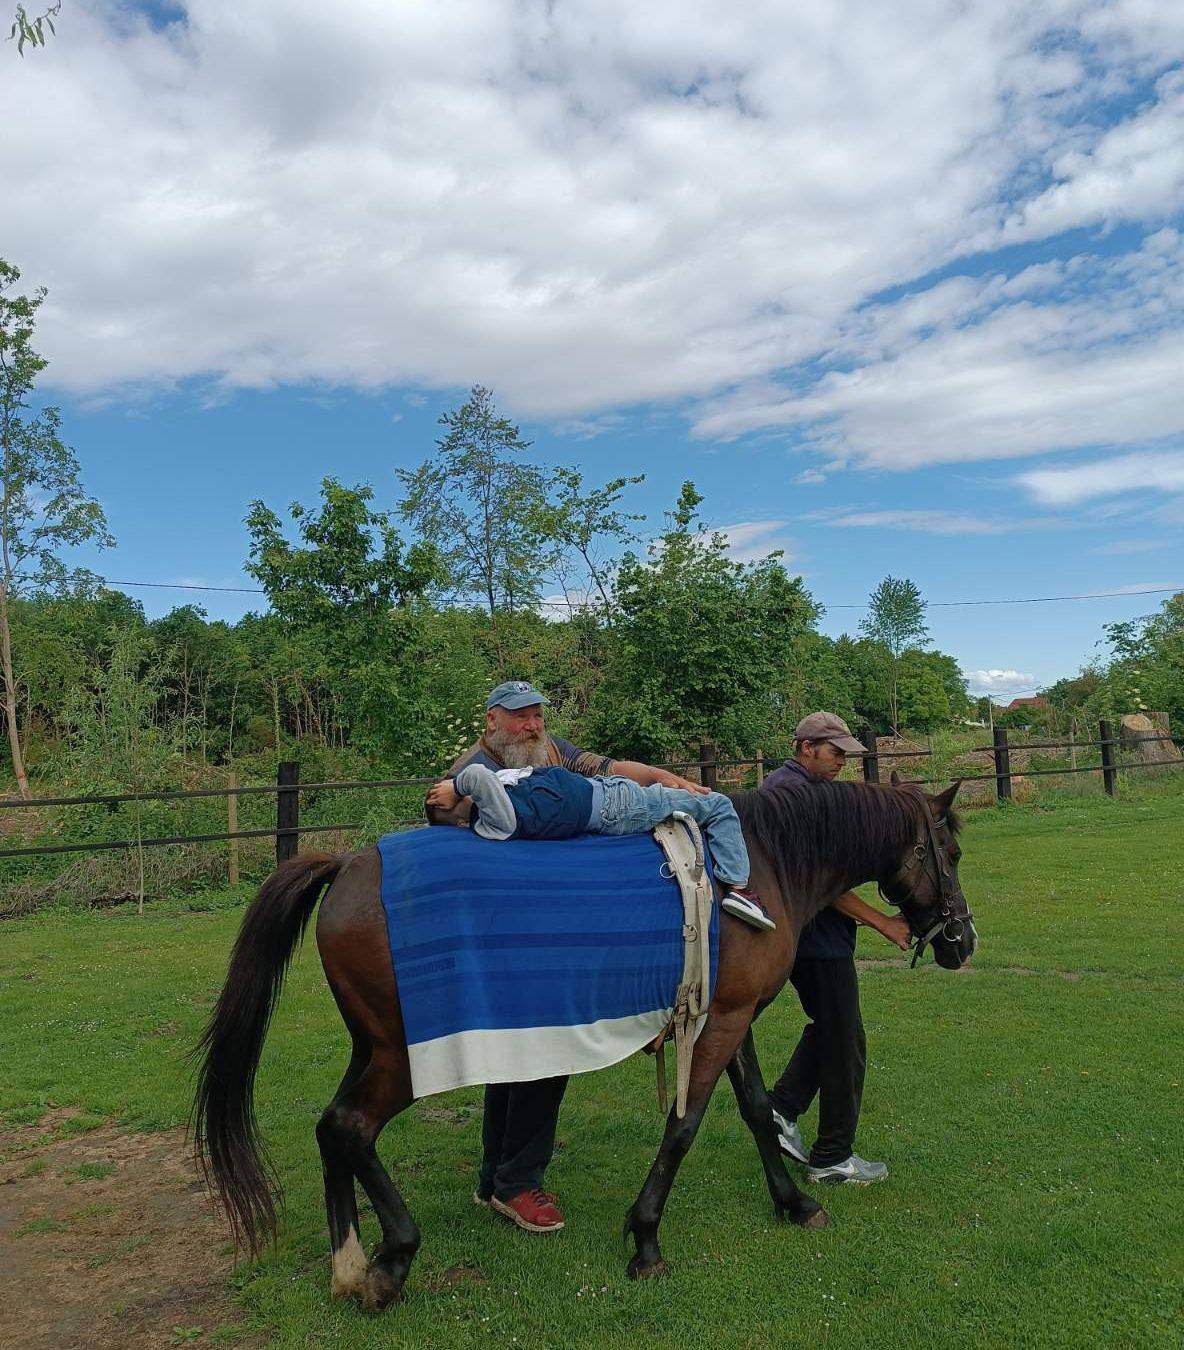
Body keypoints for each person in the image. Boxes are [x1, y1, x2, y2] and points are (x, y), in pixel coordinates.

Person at [439, 680, 714, 1234]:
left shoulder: (552, 750)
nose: (532, 725)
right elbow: (457, 834)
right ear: (492, 720)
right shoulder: (473, 769)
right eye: (520, 717)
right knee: (546, 1051)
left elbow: (611, 766)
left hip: (549, 920)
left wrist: (665, 778)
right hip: (513, 928)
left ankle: (496, 1178)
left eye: (537, 715)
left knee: (513, 1055)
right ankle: (517, 1184)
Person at [760, 712, 912, 1185]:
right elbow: (820, 880)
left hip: (814, 933)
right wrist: (883, 921)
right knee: (845, 1040)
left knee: (831, 1028)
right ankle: (832, 1158)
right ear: (805, 746)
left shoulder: (801, 787)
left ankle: (778, 1110)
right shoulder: (791, 794)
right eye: (835, 752)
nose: (842, 761)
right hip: (814, 936)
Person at [426, 762, 774, 929]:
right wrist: (456, 785)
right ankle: (739, 887)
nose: (457, 794)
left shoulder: (496, 798)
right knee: (719, 805)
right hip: (617, 807)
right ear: (459, 821)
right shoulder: (493, 823)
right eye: (452, 802)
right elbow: (480, 777)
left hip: (609, 792)